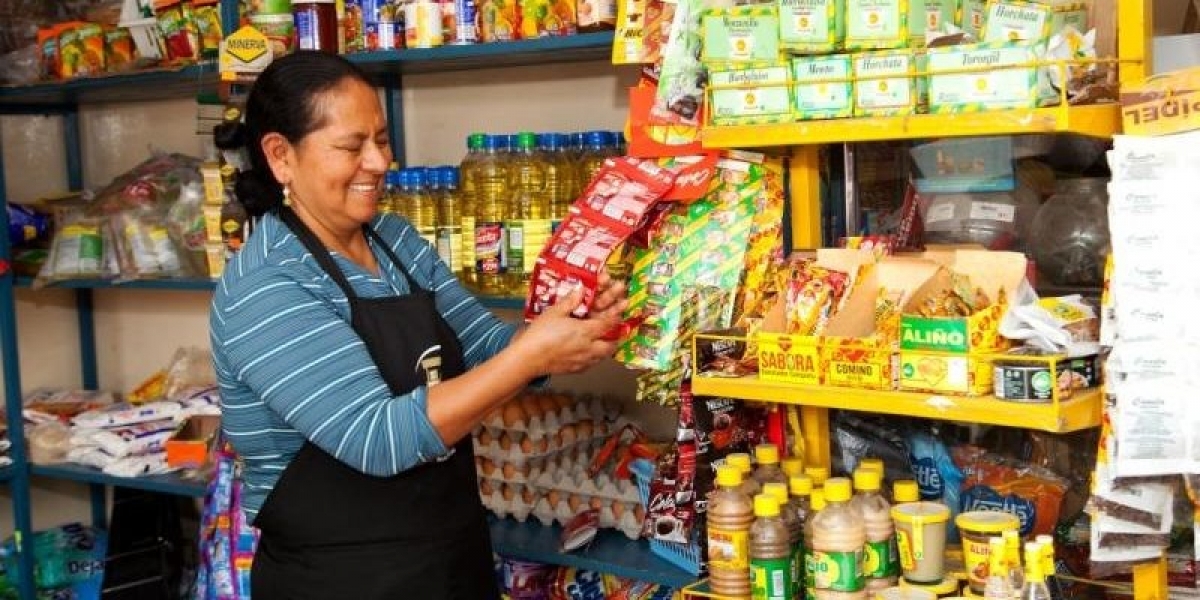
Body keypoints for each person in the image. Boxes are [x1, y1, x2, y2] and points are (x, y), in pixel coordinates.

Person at [210, 50, 626, 599]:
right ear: (280, 155)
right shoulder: (265, 283)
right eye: (351, 146)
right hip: (340, 583)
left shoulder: (397, 242)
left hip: (452, 563)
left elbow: (489, 351)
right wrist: (531, 356)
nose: (380, 162)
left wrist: (566, 326)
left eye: (381, 140)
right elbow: (378, 438)